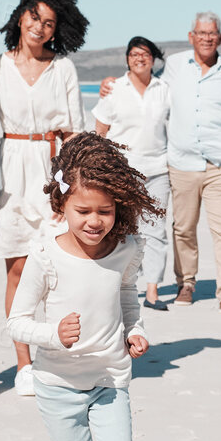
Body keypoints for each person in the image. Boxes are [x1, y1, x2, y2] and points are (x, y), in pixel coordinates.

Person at [5, 134, 167, 441]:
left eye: (106, 211)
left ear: (120, 207)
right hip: (57, 386)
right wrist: (55, 334)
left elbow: (126, 299)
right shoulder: (45, 256)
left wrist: (136, 331)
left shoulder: (127, 250)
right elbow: (16, 320)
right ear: (62, 203)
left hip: (111, 381)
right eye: (83, 211)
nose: (95, 222)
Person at [100, 11, 221, 314]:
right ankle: (187, 283)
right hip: (181, 163)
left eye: (212, 34)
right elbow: (144, 85)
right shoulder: (175, 66)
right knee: (183, 228)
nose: (206, 38)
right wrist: (112, 83)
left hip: (220, 165)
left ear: (219, 38)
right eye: (201, 33)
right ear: (191, 36)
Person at [0, 0, 90, 398]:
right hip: (10, 172)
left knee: (58, 269)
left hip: (52, 173)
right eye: (34, 16)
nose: (40, 27)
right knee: (16, 270)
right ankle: (24, 364)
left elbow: (77, 130)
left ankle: (58, 354)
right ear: (21, 14)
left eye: (49, 23)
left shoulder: (63, 68)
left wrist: (73, 185)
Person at [91, 36, 171, 309]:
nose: (140, 58)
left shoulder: (164, 89)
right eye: (134, 54)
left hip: (159, 169)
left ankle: (152, 292)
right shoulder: (114, 89)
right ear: (127, 59)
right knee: (124, 230)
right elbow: (100, 132)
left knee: (156, 231)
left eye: (145, 53)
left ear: (153, 58)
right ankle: (122, 287)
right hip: (124, 172)